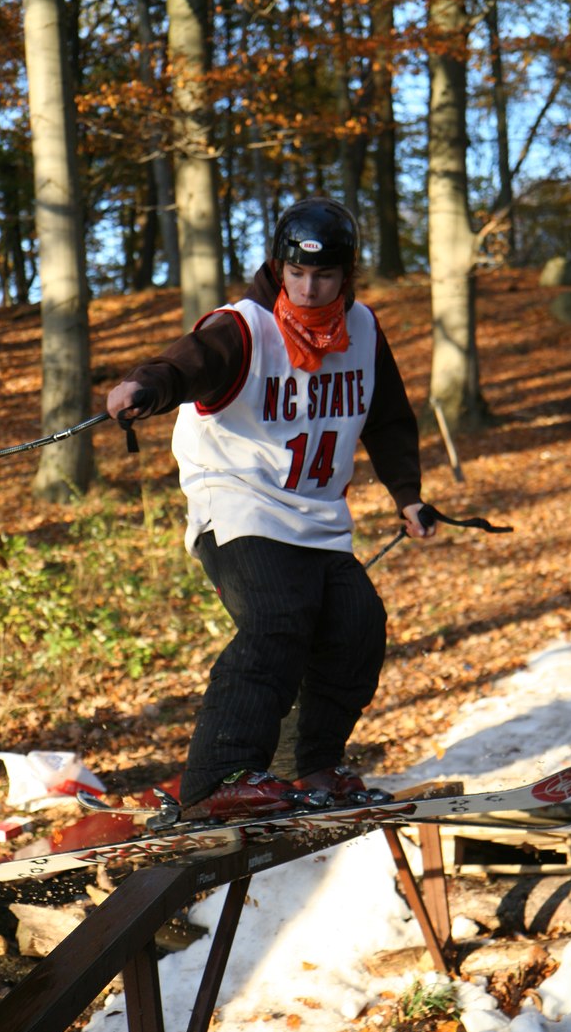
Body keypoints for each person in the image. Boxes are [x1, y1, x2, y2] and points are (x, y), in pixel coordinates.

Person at [107, 197, 435, 821]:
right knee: (277, 619)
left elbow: (388, 417)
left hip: (315, 516)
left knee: (356, 625)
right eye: (298, 274)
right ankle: (217, 776)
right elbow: (189, 362)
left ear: (347, 275)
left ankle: (306, 766)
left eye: (325, 277)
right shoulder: (245, 326)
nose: (309, 290)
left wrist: (408, 495)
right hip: (237, 502)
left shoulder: (362, 329)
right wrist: (144, 387)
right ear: (280, 266)